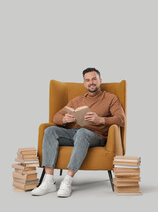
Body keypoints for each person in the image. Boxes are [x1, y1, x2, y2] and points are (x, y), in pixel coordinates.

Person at [31, 68, 125, 197]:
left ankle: (67, 180)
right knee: (50, 130)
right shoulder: (77, 100)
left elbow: (121, 119)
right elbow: (56, 117)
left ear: (100, 80)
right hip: (75, 133)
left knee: (83, 132)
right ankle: (48, 181)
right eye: (87, 80)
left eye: (94, 79)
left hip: (96, 136)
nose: (91, 82)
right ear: (84, 83)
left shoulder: (110, 98)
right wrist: (64, 119)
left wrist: (100, 119)